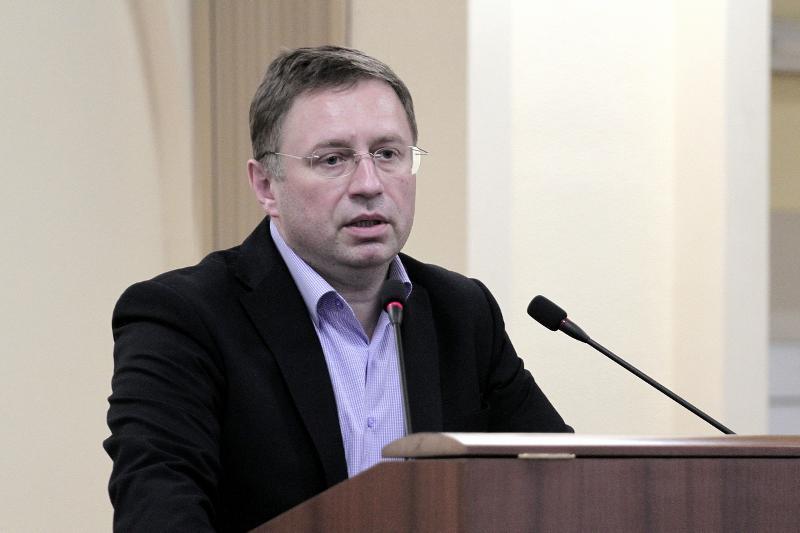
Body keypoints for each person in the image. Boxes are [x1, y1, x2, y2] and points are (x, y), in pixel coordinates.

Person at [104, 45, 571, 532]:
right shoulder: (183, 317)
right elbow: (158, 507)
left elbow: (562, 486)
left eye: (387, 154)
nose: (369, 183)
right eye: (332, 159)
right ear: (266, 186)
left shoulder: (462, 312)